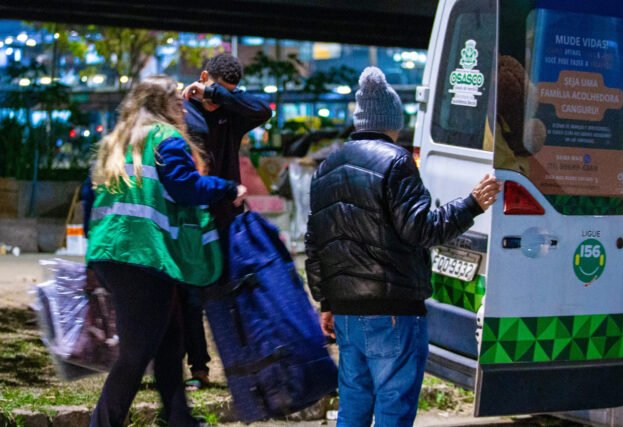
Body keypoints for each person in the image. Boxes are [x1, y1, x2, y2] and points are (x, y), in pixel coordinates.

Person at [305, 67, 500, 427]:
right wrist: (471, 204)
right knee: (394, 409)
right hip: (394, 309)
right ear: (390, 121)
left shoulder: (325, 168)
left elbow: (315, 244)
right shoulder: (397, 162)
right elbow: (421, 229)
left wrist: (327, 303)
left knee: (353, 406)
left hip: (346, 311)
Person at [86, 75, 247, 427]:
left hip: (112, 252)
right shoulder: (166, 139)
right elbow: (185, 186)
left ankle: (179, 418)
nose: (182, 106)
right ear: (161, 104)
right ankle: (103, 422)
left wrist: (90, 261)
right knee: (136, 351)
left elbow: (90, 198)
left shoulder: (118, 141)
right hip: (144, 255)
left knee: (169, 341)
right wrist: (227, 187)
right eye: (176, 100)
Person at [178, 53, 272, 389]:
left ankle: (244, 368)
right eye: (218, 88)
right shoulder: (183, 111)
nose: (222, 99)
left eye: (230, 92)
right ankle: (198, 370)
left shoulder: (232, 113)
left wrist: (218, 95)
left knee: (232, 293)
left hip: (227, 216)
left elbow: (263, 110)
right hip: (191, 215)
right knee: (191, 297)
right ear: (203, 76)